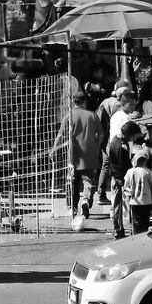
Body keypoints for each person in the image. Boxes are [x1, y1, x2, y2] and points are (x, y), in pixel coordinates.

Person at [58, 91, 102, 220]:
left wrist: (54, 149)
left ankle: (72, 206)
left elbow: (60, 136)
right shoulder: (92, 115)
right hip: (90, 154)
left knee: (72, 181)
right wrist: (97, 147)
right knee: (88, 180)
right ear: (85, 101)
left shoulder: (68, 116)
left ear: (73, 101)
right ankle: (86, 201)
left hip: (73, 155)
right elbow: (101, 135)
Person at [107, 120, 140, 239]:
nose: (133, 139)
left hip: (116, 177)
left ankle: (118, 228)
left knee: (118, 204)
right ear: (129, 135)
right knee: (119, 205)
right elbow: (123, 165)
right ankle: (118, 230)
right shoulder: (121, 146)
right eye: (133, 136)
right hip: (119, 178)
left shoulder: (115, 140)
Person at [123, 150, 152, 235]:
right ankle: (144, 237)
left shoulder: (130, 172)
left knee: (136, 222)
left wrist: (130, 191)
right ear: (145, 161)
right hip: (146, 201)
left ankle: (136, 236)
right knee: (145, 222)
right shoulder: (148, 172)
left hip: (134, 202)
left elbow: (125, 187)